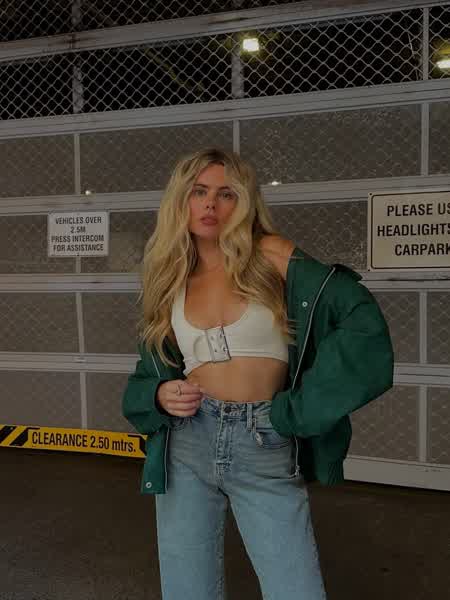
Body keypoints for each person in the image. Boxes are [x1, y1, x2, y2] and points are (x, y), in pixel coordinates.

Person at [122, 148, 394, 600]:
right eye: (199, 192)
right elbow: (146, 372)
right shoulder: (170, 278)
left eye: (226, 194)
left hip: (263, 439)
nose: (211, 204)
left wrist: (297, 412)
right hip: (187, 442)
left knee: (296, 589)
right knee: (187, 588)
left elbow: (359, 320)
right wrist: (160, 394)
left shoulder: (272, 255)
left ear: (244, 202)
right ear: (181, 201)